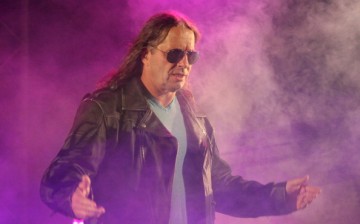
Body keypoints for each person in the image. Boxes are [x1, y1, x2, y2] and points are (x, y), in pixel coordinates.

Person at [40, 11, 321, 224]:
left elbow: (220, 187)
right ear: (146, 55)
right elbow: (66, 169)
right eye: (174, 53)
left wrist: (280, 196)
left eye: (191, 55)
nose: (184, 63)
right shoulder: (107, 108)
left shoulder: (196, 121)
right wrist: (70, 195)